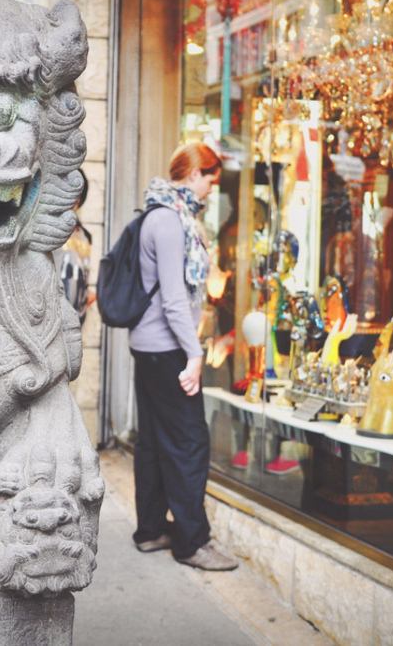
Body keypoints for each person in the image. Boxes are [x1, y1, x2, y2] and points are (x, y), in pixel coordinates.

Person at [128, 142, 237, 571]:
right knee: (190, 443)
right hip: (168, 348)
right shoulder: (170, 221)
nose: (212, 187)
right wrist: (194, 354)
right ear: (194, 174)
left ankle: (151, 530)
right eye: (211, 178)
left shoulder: (164, 214)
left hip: (150, 347)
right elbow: (174, 299)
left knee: (155, 441)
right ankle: (193, 543)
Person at [57, 174, 94, 324]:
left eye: (77, 195)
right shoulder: (48, 230)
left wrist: (87, 293)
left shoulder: (85, 236)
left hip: (77, 319)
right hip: (52, 316)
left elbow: (85, 273)